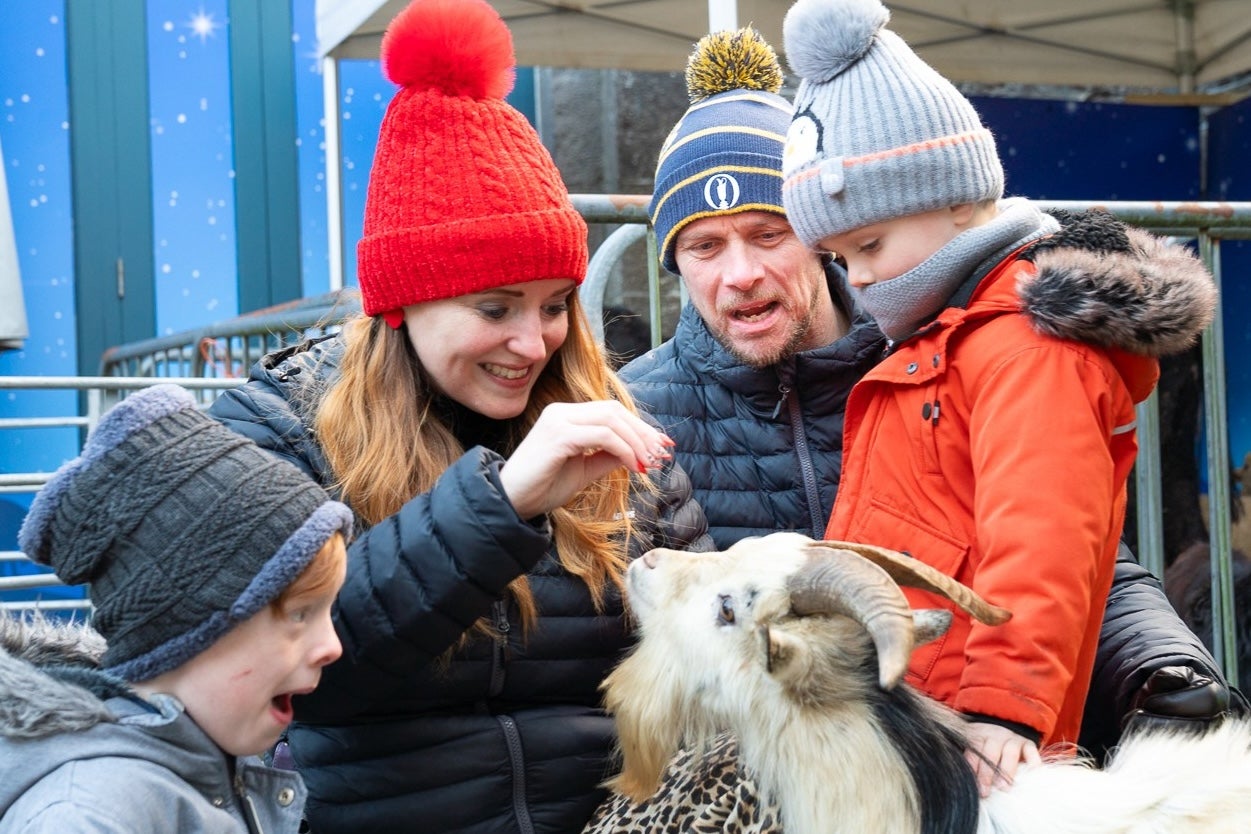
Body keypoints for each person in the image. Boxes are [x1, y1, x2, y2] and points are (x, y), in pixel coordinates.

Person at [618, 21, 1239, 790]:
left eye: (766, 232)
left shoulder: (927, 351)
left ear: (813, 234)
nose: (739, 272)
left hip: (959, 758)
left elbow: (1059, 543)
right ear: (673, 261)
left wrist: (1157, 666)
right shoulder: (635, 415)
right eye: (703, 247)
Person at [207, 1, 712, 832]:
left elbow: (700, 667)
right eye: (494, 307)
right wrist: (499, 507)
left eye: (555, 305)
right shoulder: (283, 433)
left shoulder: (605, 420)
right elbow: (288, 677)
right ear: (401, 301)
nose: (533, 342)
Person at [777, 0, 1218, 793]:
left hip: (976, 742)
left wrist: (1003, 708)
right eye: (839, 259)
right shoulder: (944, 336)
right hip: (911, 720)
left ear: (954, 198)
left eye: (868, 243)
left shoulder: (1023, 344)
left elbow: (1040, 534)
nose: (861, 277)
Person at [0, 383, 353, 833]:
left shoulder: (215, 766)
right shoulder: (89, 816)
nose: (332, 646)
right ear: (189, 624)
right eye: (300, 613)